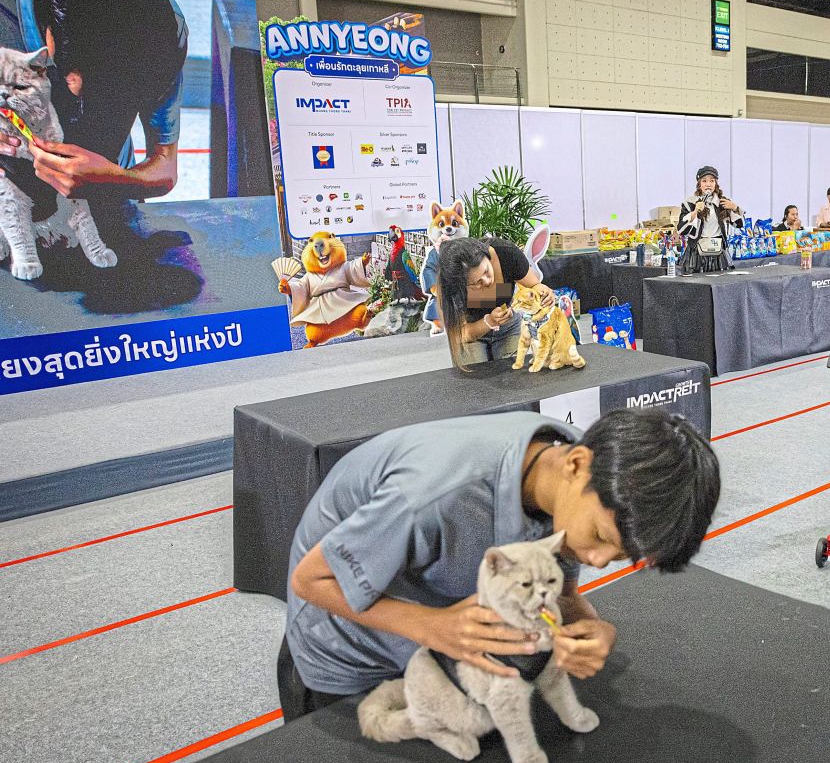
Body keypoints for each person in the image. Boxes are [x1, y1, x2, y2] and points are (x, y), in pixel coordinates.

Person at [278, 407, 722, 720]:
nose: (598, 561)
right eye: (602, 539)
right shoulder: (433, 495)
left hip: (432, 642)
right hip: (347, 655)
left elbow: (559, 586)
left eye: (620, 557)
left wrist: (590, 624)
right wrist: (431, 626)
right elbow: (310, 579)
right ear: (577, 465)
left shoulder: (568, 469)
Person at [0, 0, 187, 201]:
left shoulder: (165, 30)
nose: (78, 95)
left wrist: (117, 181)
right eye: (70, 70)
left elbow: (165, 165)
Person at [437, 236, 555, 367]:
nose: (487, 281)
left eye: (486, 271)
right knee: (474, 380)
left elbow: (534, 285)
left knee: (518, 373)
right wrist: (490, 322)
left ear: (486, 255)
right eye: (477, 283)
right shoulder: (449, 287)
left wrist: (544, 292)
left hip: (509, 327)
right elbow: (460, 335)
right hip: (472, 334)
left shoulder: (506, 254)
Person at [677, 165, 743, 274]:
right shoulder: (690, 202)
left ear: (716, 183)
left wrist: (735, 207)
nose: (708, 184)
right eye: (704, 181)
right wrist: (694, 212)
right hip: (697, 253)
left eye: (712, 181)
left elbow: (739, 224)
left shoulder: (723, 202)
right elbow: (682, 230)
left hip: (718, 253)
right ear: (699, 184)